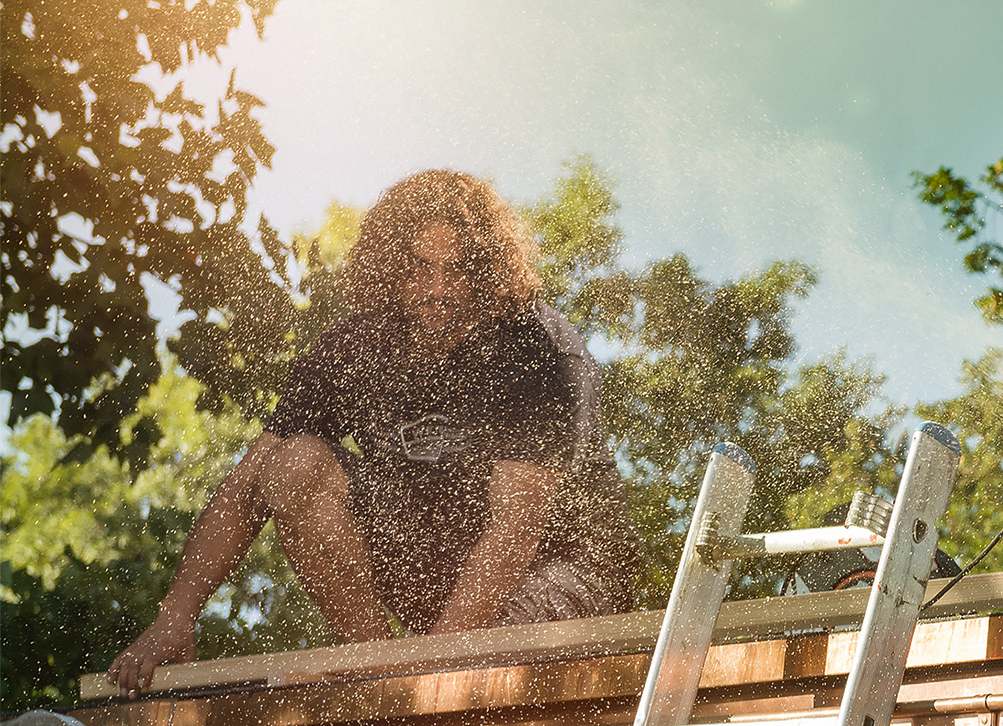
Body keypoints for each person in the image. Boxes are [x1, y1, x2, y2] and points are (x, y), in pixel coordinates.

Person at [109, 170, 642, 696]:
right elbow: (248, 484)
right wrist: (175, 618)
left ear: (486, 273)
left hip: (562, 571)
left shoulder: (533, 345)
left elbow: (516, 529)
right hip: (442, 585)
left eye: (455, 271)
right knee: (291, 465)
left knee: (473, 670)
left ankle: (407, 682)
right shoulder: (355, 349)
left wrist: (436, 669)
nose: (437, 291)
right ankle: (376, 671)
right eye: (419, 270)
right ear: (389, 272)